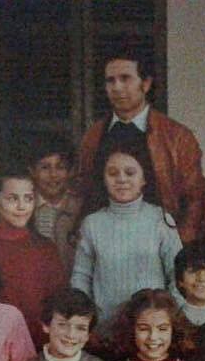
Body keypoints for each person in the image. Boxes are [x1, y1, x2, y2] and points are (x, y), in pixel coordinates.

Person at [77, 40, 205, 243]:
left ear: (145, 84)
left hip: (158, 247)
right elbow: (84, 193)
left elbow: (195, 199)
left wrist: (179, 247)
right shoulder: (93, 136)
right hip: (105, 246)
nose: (117, 87)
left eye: (125, 78)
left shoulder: (177, 136)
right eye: (110, 80)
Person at [71, 133, 183, 344]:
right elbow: (80, 279)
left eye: (130, 173)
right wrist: (86, 323)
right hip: (105, 333)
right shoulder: (92, 223)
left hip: (153, 337)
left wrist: (167, 321)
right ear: (103, 178)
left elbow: (177, 277)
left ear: (144, 179)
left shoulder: (160, 219)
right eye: (113, 173)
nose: (121, 179)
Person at [0, 168, 67, 347]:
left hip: (39, 345)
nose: (21, 206)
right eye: (12, 198)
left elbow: (59, 301)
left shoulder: (46, 249)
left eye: (28, 198)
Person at [28, 134, 82, 276]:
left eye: (60, 167)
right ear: (32, 171)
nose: (53, 175)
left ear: (71, 172)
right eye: (45, 167)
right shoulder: (24, 208)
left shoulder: (81, 209)